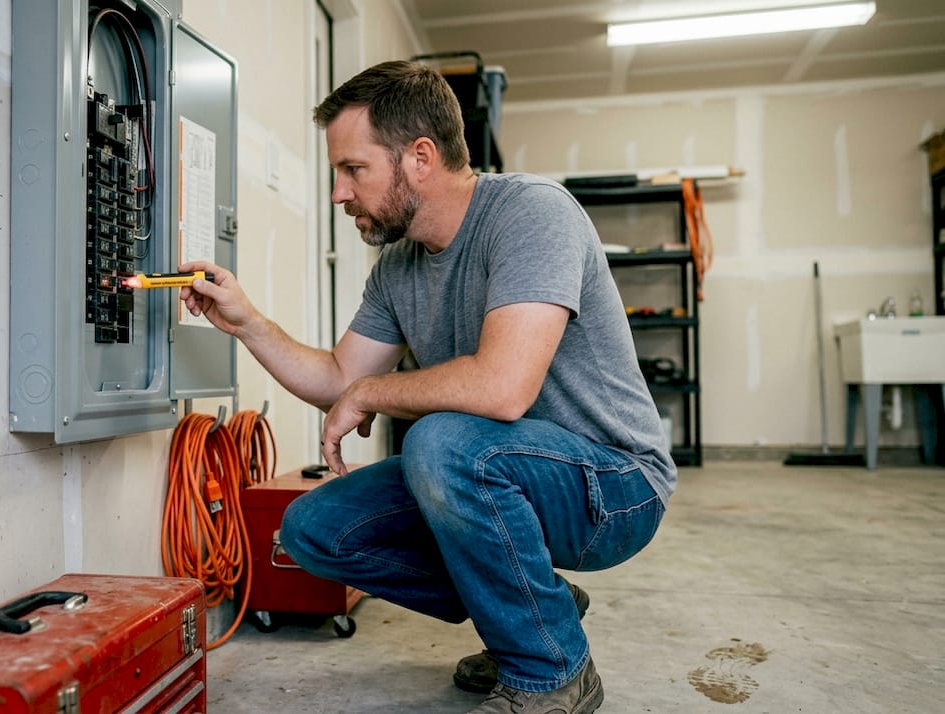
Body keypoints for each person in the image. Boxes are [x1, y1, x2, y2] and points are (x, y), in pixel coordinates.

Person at [178, 59, 676, 714]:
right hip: (510, 472)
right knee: (316, 529)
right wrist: (247, 323)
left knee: (438, 442)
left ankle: (552, 670)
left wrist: (373, 394)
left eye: (353, 169)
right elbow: (339, 380)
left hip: (614, 487)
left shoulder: (533, 214)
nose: (338, 193)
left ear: (419, 158)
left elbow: (503, 389)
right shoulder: (398, 270)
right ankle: (538, 609)